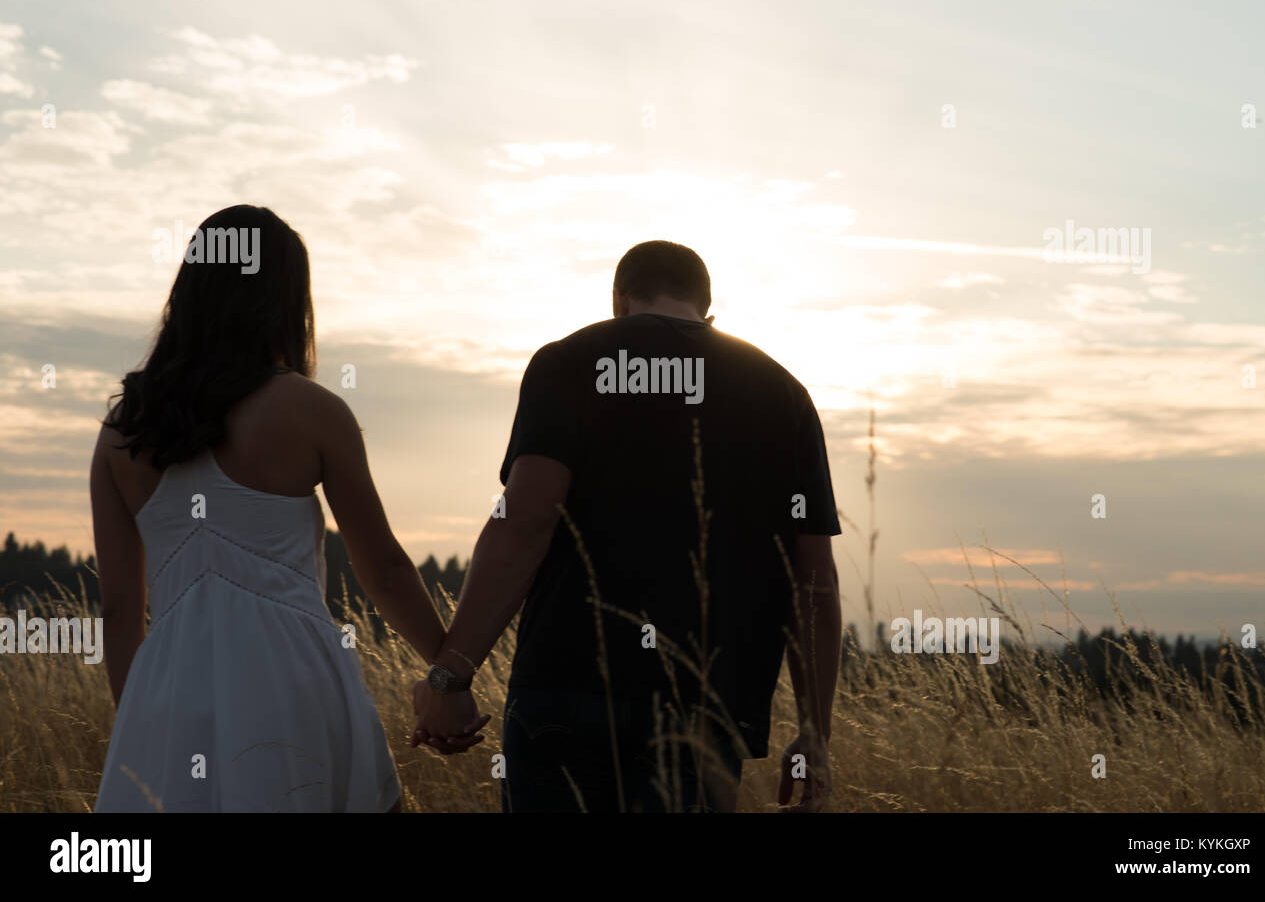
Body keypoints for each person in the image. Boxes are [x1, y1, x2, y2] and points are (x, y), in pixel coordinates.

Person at [412, 239, 841, 812]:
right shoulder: (783, 393)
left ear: (619, 301)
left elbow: (524, 521)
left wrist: (451, 677)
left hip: (561, 699)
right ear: (708, 311)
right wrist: (815, 732)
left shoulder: (567, 362)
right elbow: (812, 579)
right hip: (704, 715)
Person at [92, 205, 485, 812]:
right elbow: (381, 567)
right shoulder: (312, 411)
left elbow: (119, 607)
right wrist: (446, 678)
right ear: (285, 300)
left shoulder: (121, 429)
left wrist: (143, 724)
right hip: (293, 682)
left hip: (168, 690)